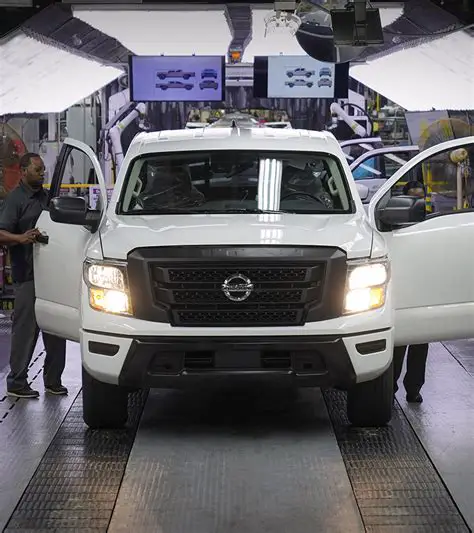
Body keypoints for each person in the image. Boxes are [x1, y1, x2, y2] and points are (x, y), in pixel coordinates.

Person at [0, 153, 67, 398]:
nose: (42, 174)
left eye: (42, 170)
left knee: (56, 329)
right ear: (24, 171)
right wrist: (22, 238)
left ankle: (53, 380)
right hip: (27, 275)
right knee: (26, 331)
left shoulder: (47, 197)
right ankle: (17, 382)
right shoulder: (15, 200)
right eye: (37, 170)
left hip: (50, 274)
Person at [393, 179, 428, 403]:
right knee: (399, 342)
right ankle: (390, 387)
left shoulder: (431, 222)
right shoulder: (397, 223)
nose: (418, 200)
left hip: (422, 290)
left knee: (421, 342)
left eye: (421, 196)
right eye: (413, 196)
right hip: (402, 290)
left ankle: (414, 388)